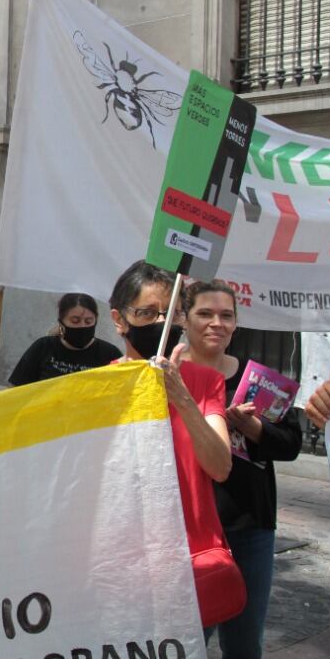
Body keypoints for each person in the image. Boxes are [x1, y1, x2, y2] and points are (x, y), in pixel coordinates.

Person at [180, 279, 301, 659]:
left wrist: (253, 430)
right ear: (183, 318)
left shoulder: (257, 378)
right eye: (205, 314)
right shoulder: (169, 376)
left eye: (226, 315)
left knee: (245, 649)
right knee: (187, 645)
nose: (216, 323)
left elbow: (290, 444)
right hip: (190, 530)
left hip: (251, 527)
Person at [109, 260, 241, 628]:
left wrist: (182, 398)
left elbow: (220, 466)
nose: (158, 323)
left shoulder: (203, 382)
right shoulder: (97, 387)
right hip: (122, 566)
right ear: (120, 320)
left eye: (169, 314)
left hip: (190, 559)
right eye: (147, 313)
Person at [8, 292, 122, 386]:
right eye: (75, 321)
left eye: (88, 321)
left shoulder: (110, 354)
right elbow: (15, 391)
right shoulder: (43, 347)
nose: (82, 326)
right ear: (61, 321)